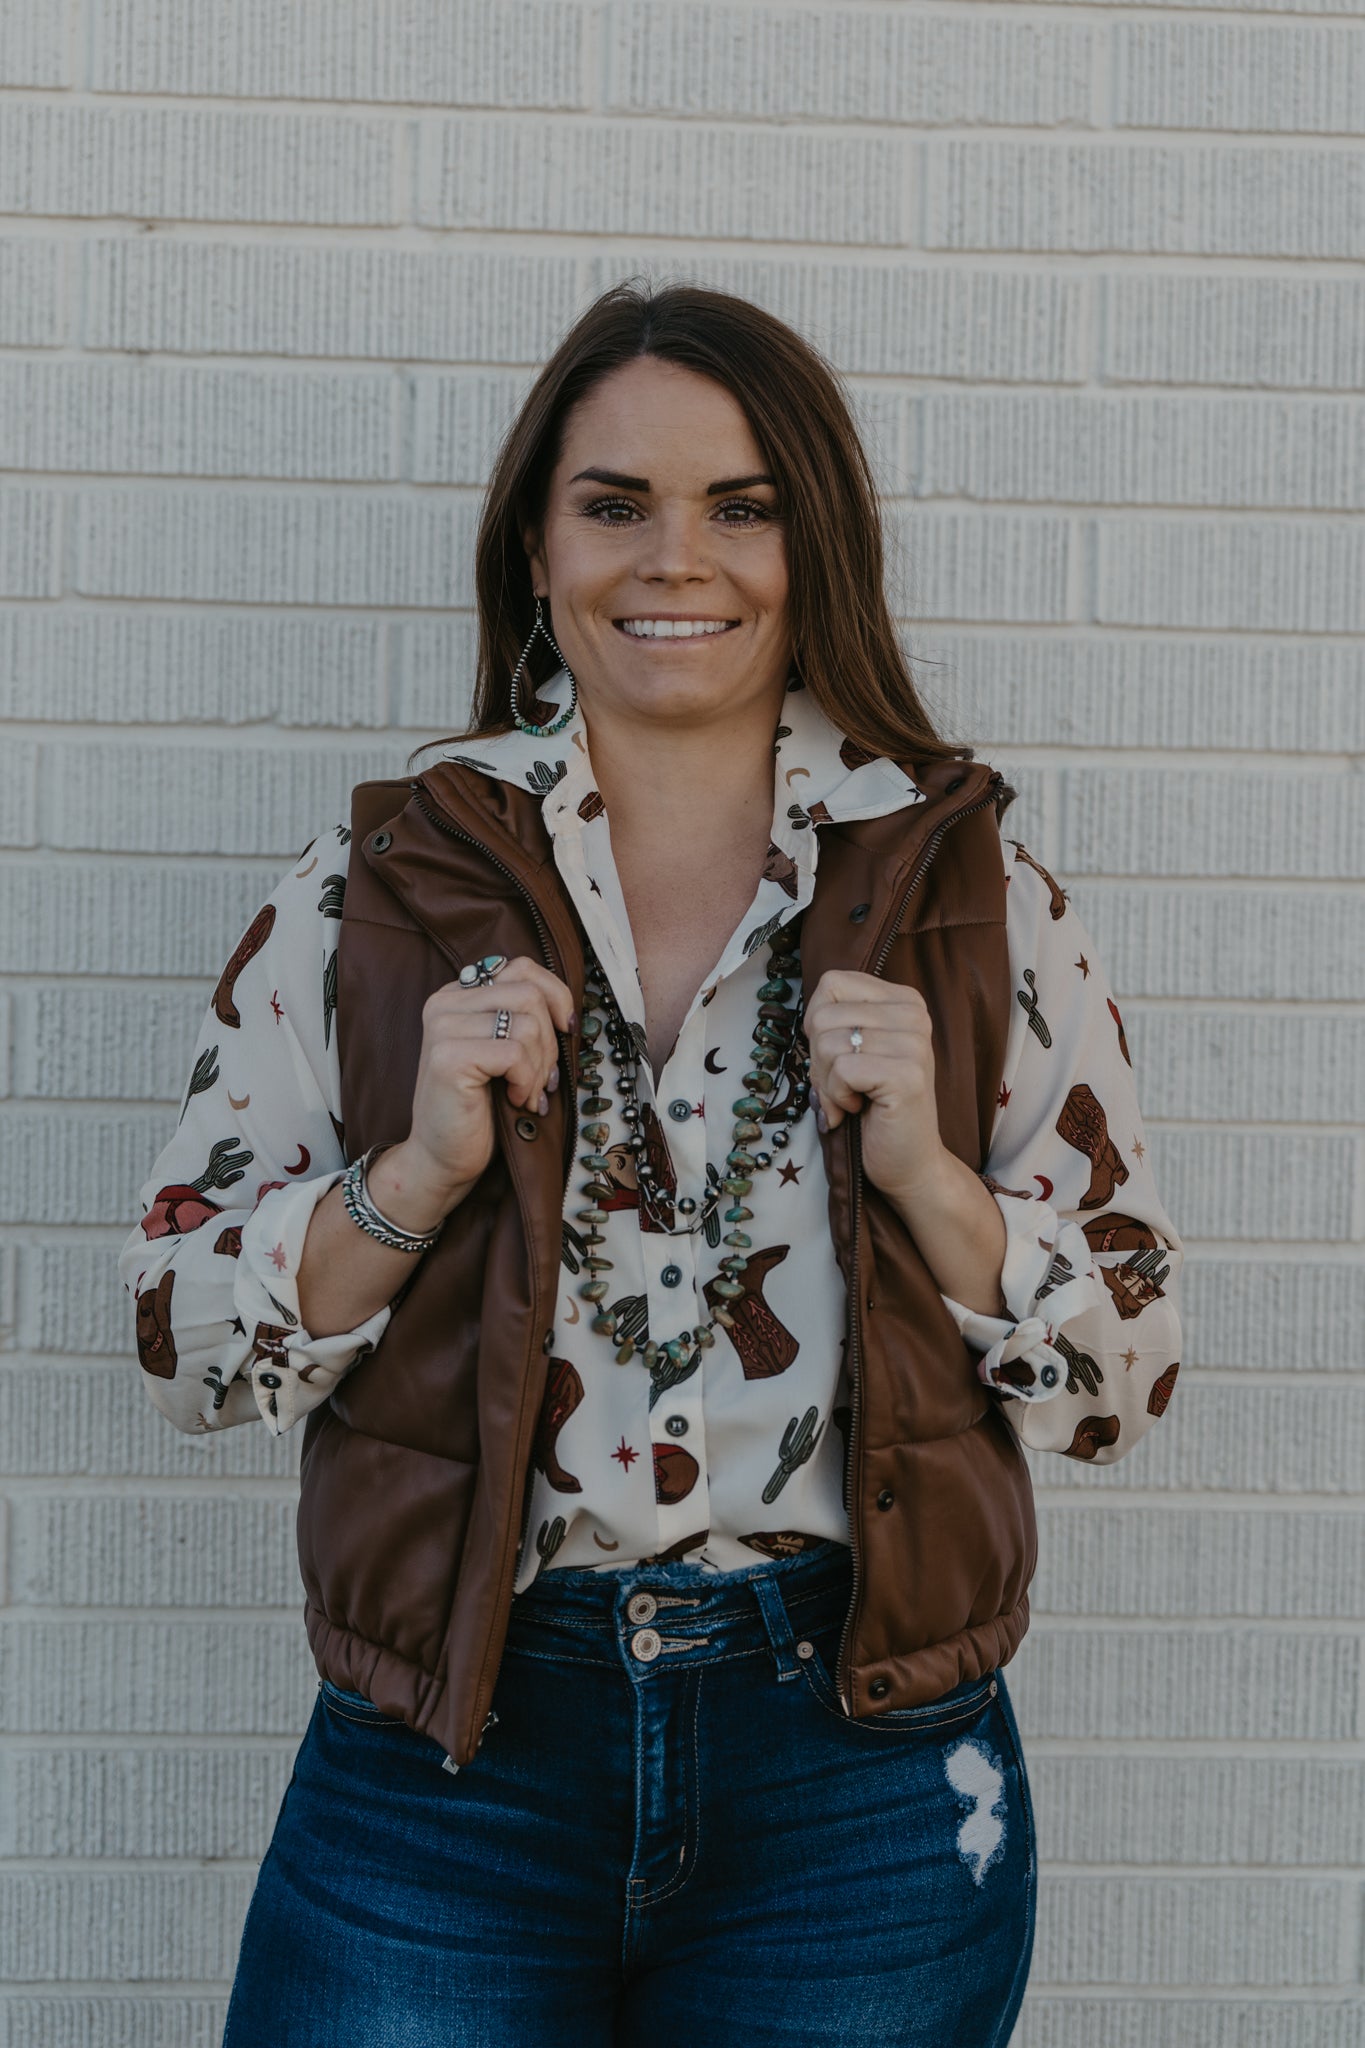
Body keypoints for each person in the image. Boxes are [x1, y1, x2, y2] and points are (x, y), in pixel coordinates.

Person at [119, 281, 1183, 2047]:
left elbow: (1125, 1378)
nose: (673, 558)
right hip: (450, 1754)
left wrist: (931, 1183)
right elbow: (180, 1343)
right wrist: (413, 1175)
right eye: (613, 503)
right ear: (534, 549)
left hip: (858, 1771)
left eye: (739, 506)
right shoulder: (373, 888)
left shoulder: (977, 896)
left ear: (812, 546)